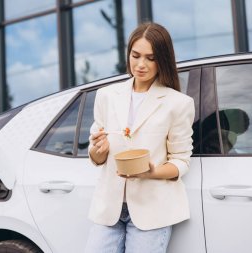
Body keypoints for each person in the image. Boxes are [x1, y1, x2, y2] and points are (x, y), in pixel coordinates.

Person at [85, 22, 195, 253]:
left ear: (162, 60)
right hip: (109, 209)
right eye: (135, 56)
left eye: (150, 58)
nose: (140, 64)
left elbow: (181, 160)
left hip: (152, 211)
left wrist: (152, 172)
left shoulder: (178, 103)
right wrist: (98, 150)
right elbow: (96, 156)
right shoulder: (106, 96)